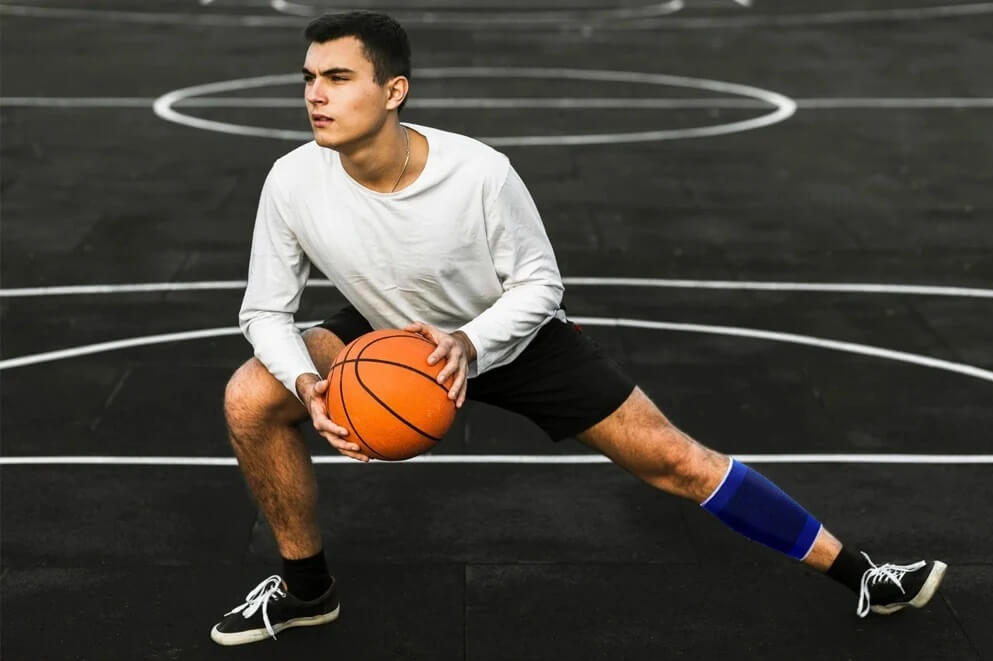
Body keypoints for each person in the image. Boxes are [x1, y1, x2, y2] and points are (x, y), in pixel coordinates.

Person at [210, 11, 947, 646]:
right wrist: (305, 383)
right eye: (309, 78)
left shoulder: (479, 173)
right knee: (251, 395)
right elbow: (265, 310)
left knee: (676, 461)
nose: (314, 94)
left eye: (337, 78)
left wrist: (470, 342)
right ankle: (307, 591)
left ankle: (863, 574)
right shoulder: (292, 180)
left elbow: (540, 285)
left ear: (393, 90)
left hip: (510, 336)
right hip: (389, 336)